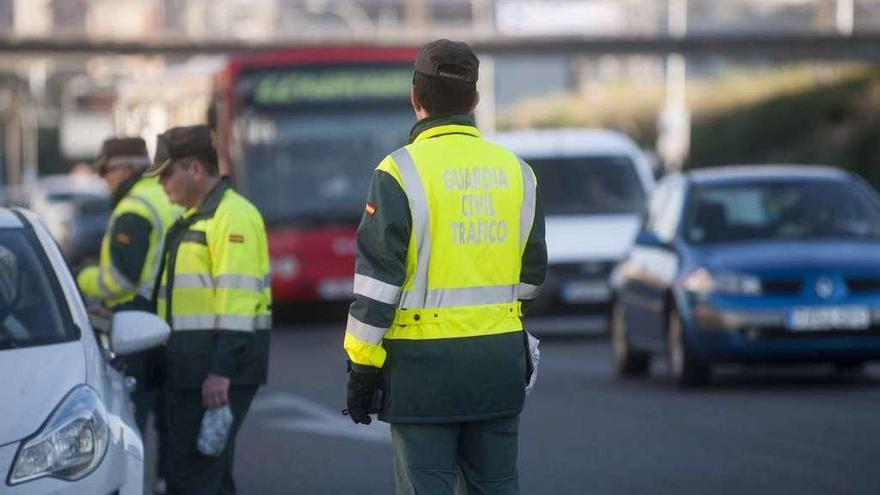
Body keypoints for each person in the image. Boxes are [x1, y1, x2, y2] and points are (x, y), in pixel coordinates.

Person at [344, 39, 547, 495]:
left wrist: (362, 369)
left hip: (422, 374)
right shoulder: (518, 172)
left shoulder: (398, 172)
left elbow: (377, 288)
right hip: (498, 363)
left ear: (416, 97)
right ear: (474, 99)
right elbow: (532, 279)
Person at [143, 124, 271, 495]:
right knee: (207, 476)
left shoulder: (233, 217)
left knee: (193, 476)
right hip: (195, 368)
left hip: (216, 371)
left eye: (166, 174)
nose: (162, 184)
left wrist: (220, 371)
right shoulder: (198, 216)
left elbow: (238, 303)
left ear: (194, 169)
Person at [76, 137, 180, 492]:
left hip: (137, 318)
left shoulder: (134, 207)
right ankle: (170, 481)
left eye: (105, 171)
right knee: (172, 415)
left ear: (122, 168)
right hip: (178, 316)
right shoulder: (168, 196)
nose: (104, 180)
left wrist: (85, 278)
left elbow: (122, 279)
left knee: (130, 413)